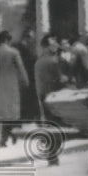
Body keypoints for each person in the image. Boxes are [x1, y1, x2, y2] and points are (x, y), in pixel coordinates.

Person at [0, 31, 30, 147]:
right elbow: (21, 69)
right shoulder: (13, 52)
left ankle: (7, 135)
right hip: (11, 84)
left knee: (3, 112)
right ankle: (5, 137)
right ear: (7, 40)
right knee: (11, 112)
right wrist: (26, 81)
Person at [33, 34, 67, 165]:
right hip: (55, 96)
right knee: (57, 125)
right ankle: (53, 153)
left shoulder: (38, 61)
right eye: (54, 43)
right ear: (48, 46)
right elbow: (61, 79)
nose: (57, 45)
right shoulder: (55, 60)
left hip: (42, 96)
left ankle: (51, 153)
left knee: (49, 123)